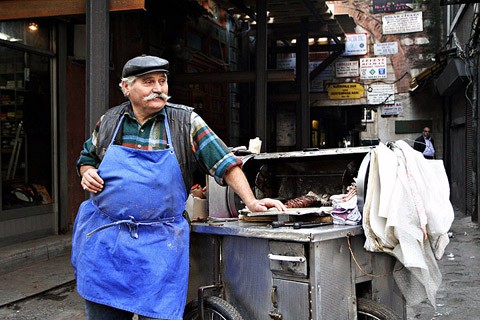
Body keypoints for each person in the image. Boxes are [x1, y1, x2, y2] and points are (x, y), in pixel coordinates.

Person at [71, 55, 286, 320]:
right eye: (148, 82)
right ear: (126, 88)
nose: (158, 88)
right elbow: (86, 158)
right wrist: (87, 172)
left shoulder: (185, 122)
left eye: (162, 81)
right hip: (107, 241)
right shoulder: (109, 121)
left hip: (160, 243)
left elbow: (226, 163)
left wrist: (252, 202)